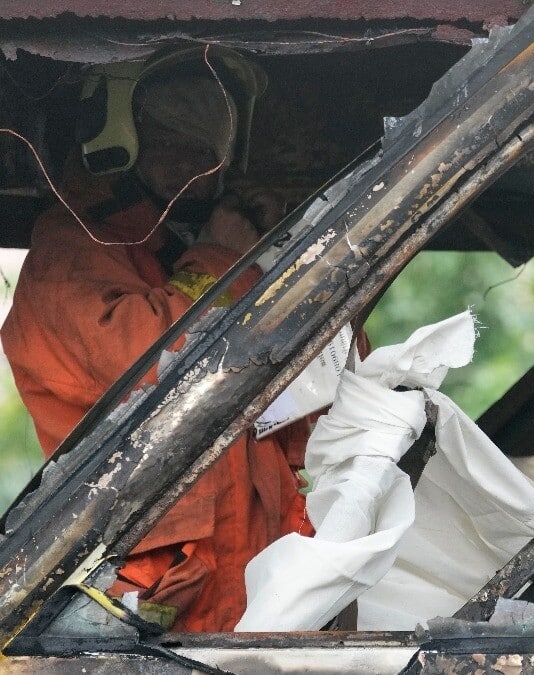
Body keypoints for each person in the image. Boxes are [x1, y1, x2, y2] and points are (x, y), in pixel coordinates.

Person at [1, 46, 313, 632]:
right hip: (149, 602)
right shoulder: (71, 251)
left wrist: (284, 260)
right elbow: (152, 370)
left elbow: (334, 390)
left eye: (207, 141)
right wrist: (221, 257)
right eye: (171, 135)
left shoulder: (216, 251)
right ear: (116, 131)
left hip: (266, 589)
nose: (195, 159)